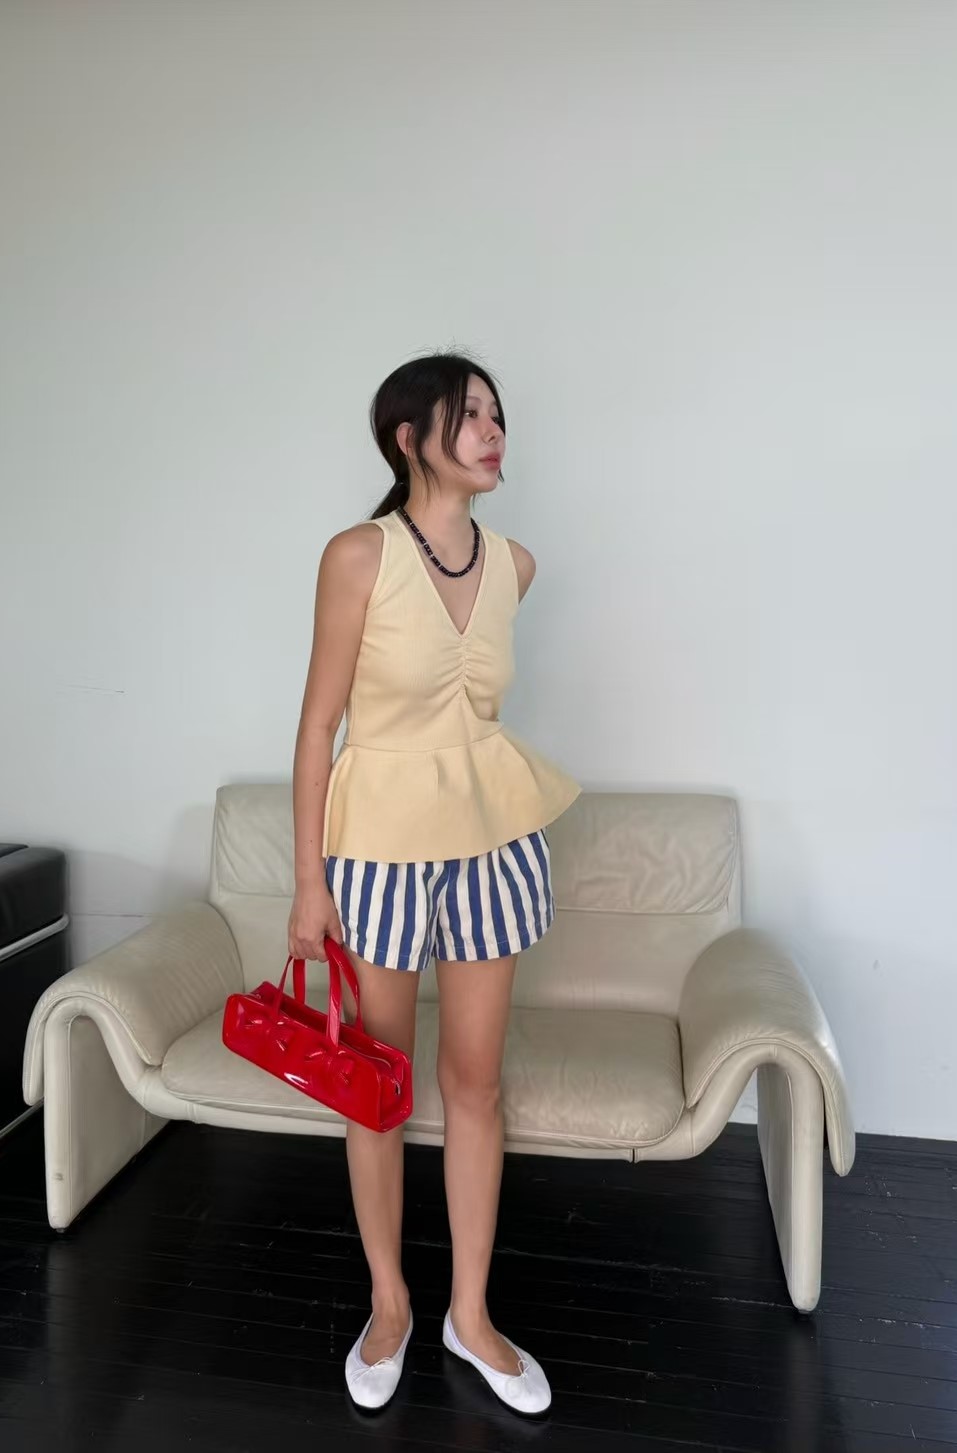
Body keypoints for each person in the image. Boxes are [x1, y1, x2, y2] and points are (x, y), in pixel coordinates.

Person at [288, 351, 579, 1414]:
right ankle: (390, 1305)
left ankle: (470, 1314)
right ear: (410, 439)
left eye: (500, 414)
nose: (496, 431)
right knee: (378, 1086)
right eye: (472, 415)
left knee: (474, 1085)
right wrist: (308, 881)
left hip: (493, 842)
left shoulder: (516, 564)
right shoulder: (357, 555)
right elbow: (319, 724)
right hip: (376, 852)